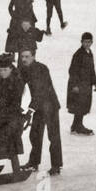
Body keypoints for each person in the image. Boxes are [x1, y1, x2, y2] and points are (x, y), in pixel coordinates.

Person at [18, 47, 62, 175]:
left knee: (53, 136)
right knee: (35, 135)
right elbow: (19, 85)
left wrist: (30, 111)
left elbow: (39, 92)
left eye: (27, 56)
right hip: (39, 107)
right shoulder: (25, 69)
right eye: (22, 57)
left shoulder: (41, 69)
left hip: (50, 106)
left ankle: (56, 165)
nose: (24, 59)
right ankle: (33, 163)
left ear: (33, 56)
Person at [67, 33, 96, 135]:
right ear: (81, 42)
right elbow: (73, 70)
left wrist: (94, 82)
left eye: (89, 42)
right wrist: (75, 85)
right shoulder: (78, 54)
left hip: (86, 84)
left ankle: (75, 126)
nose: (87, 44)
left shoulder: (89, 53)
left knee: (83, 105)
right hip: (79, 85)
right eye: (85, 42)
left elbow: (92, 69)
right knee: (79, 105)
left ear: (92, 42)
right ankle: (78, 126)